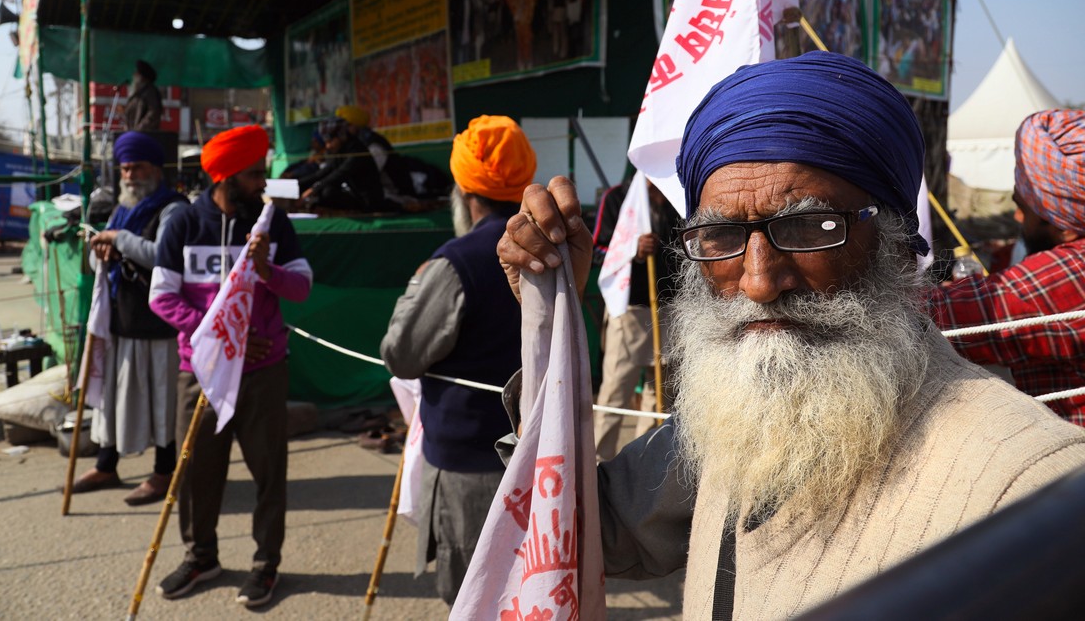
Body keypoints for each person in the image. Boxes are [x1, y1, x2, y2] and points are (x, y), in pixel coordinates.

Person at [497, 52, 1085, 618]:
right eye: (721, 234)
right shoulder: (732, 422)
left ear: (897, 243)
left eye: (809, 226)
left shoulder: (1027, 483)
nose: (758, 282)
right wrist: (552, 323)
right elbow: (586, 532)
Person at [149, 124, 313, 608]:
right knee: (196, 470)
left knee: (269, 472)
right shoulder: (181, 223)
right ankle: (201, 557)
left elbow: (301, 288)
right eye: (253, 174)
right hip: (198, 372)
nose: (262, 183)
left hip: (264, 374)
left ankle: (266, 566)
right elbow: (162, 296)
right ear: (223, 177)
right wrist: (225, 339)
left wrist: (267, 270)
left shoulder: (272, 224)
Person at [379, 115, 537, 606]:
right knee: (527, 591)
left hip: (471, 469)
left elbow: (400, 355)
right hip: (540, 455)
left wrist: (417, 285)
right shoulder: (554, 249)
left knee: (474, 598)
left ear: (465, 191)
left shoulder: (456, 261)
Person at [931, 109, 1085, 425]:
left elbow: (928, 318)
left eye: (1022, 208)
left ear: (1066, 228)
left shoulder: (1071, 272)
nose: (1016, 219)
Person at [72, 131, 187, 505]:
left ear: (155, 168)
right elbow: (97, 258)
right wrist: (100, 252)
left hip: (158, 324)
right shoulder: (121, 208)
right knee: (112, 399)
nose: (129, 174)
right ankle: (107, 464)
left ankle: (164, 471)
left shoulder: (174, 209)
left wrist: (119, 239)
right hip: (121, 320)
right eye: (124, 168)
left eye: (136, 166)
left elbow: (163, 256)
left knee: (160, 402)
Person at [591, 178, 680, 461]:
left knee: (661, 398)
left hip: (672, 308)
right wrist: (633, 250)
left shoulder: (678, 195)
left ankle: (644, 464)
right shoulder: (618, 197)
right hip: (629, 311)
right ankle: (596, 467)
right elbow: (597, 249)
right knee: (615, 395)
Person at [124, 60, 163, 133]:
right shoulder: (136, 95)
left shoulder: (150, 92)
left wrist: (139, 129)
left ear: (142, 77)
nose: (133, 75)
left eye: (136, 73)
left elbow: (153, 113)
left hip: (143, 136)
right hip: (132, 135)